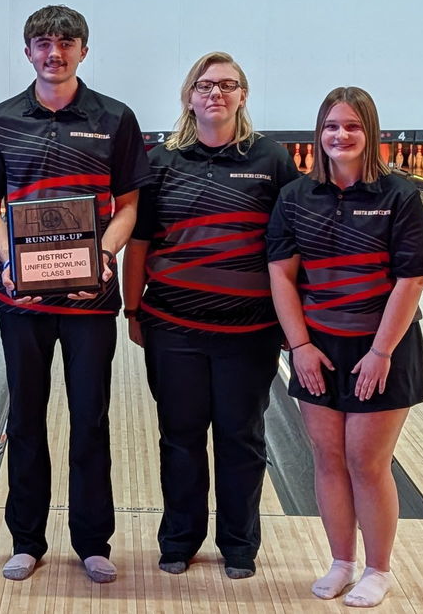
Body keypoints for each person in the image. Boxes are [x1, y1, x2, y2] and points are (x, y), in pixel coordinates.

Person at [0, 4, 152, 583]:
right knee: (23, 420)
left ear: (83, 50)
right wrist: (9, 260)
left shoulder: (115, 119)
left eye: (66, 42)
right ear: (28, 52)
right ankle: (27, 539)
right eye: (43, 43)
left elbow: (127, 208)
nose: (55, 52)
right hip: (23, 303)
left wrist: (103, 256)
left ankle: (93, 542)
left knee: (90, 420)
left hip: (90, 302)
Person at [122, 52, 300, 580]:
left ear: (243, 94)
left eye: (227, 85)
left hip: (250, 332)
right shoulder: (161, 161)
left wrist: (295, 326)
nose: (215, 93)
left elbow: (290, 249)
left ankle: (239, 545)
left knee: (240, 437)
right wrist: (133, 309)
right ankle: (179, 539)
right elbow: (139, 242)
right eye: (205, 85)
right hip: (173, 326)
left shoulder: (272, 160)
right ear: (189, 96)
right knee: (179, 436)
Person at [266, 87, 423, 608]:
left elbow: (411, 281)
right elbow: (281, 274)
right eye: (332, 125)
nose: (341, 135)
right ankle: (341, 561)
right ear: (319, 133)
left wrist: (381, 352)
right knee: (328, 457)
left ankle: (378, 568)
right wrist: (300, 346)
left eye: (352, 126)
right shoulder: (295, 197)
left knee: (366, 460)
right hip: (319, 344)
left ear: (370, 133)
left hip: (383, 345)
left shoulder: (398, 195)